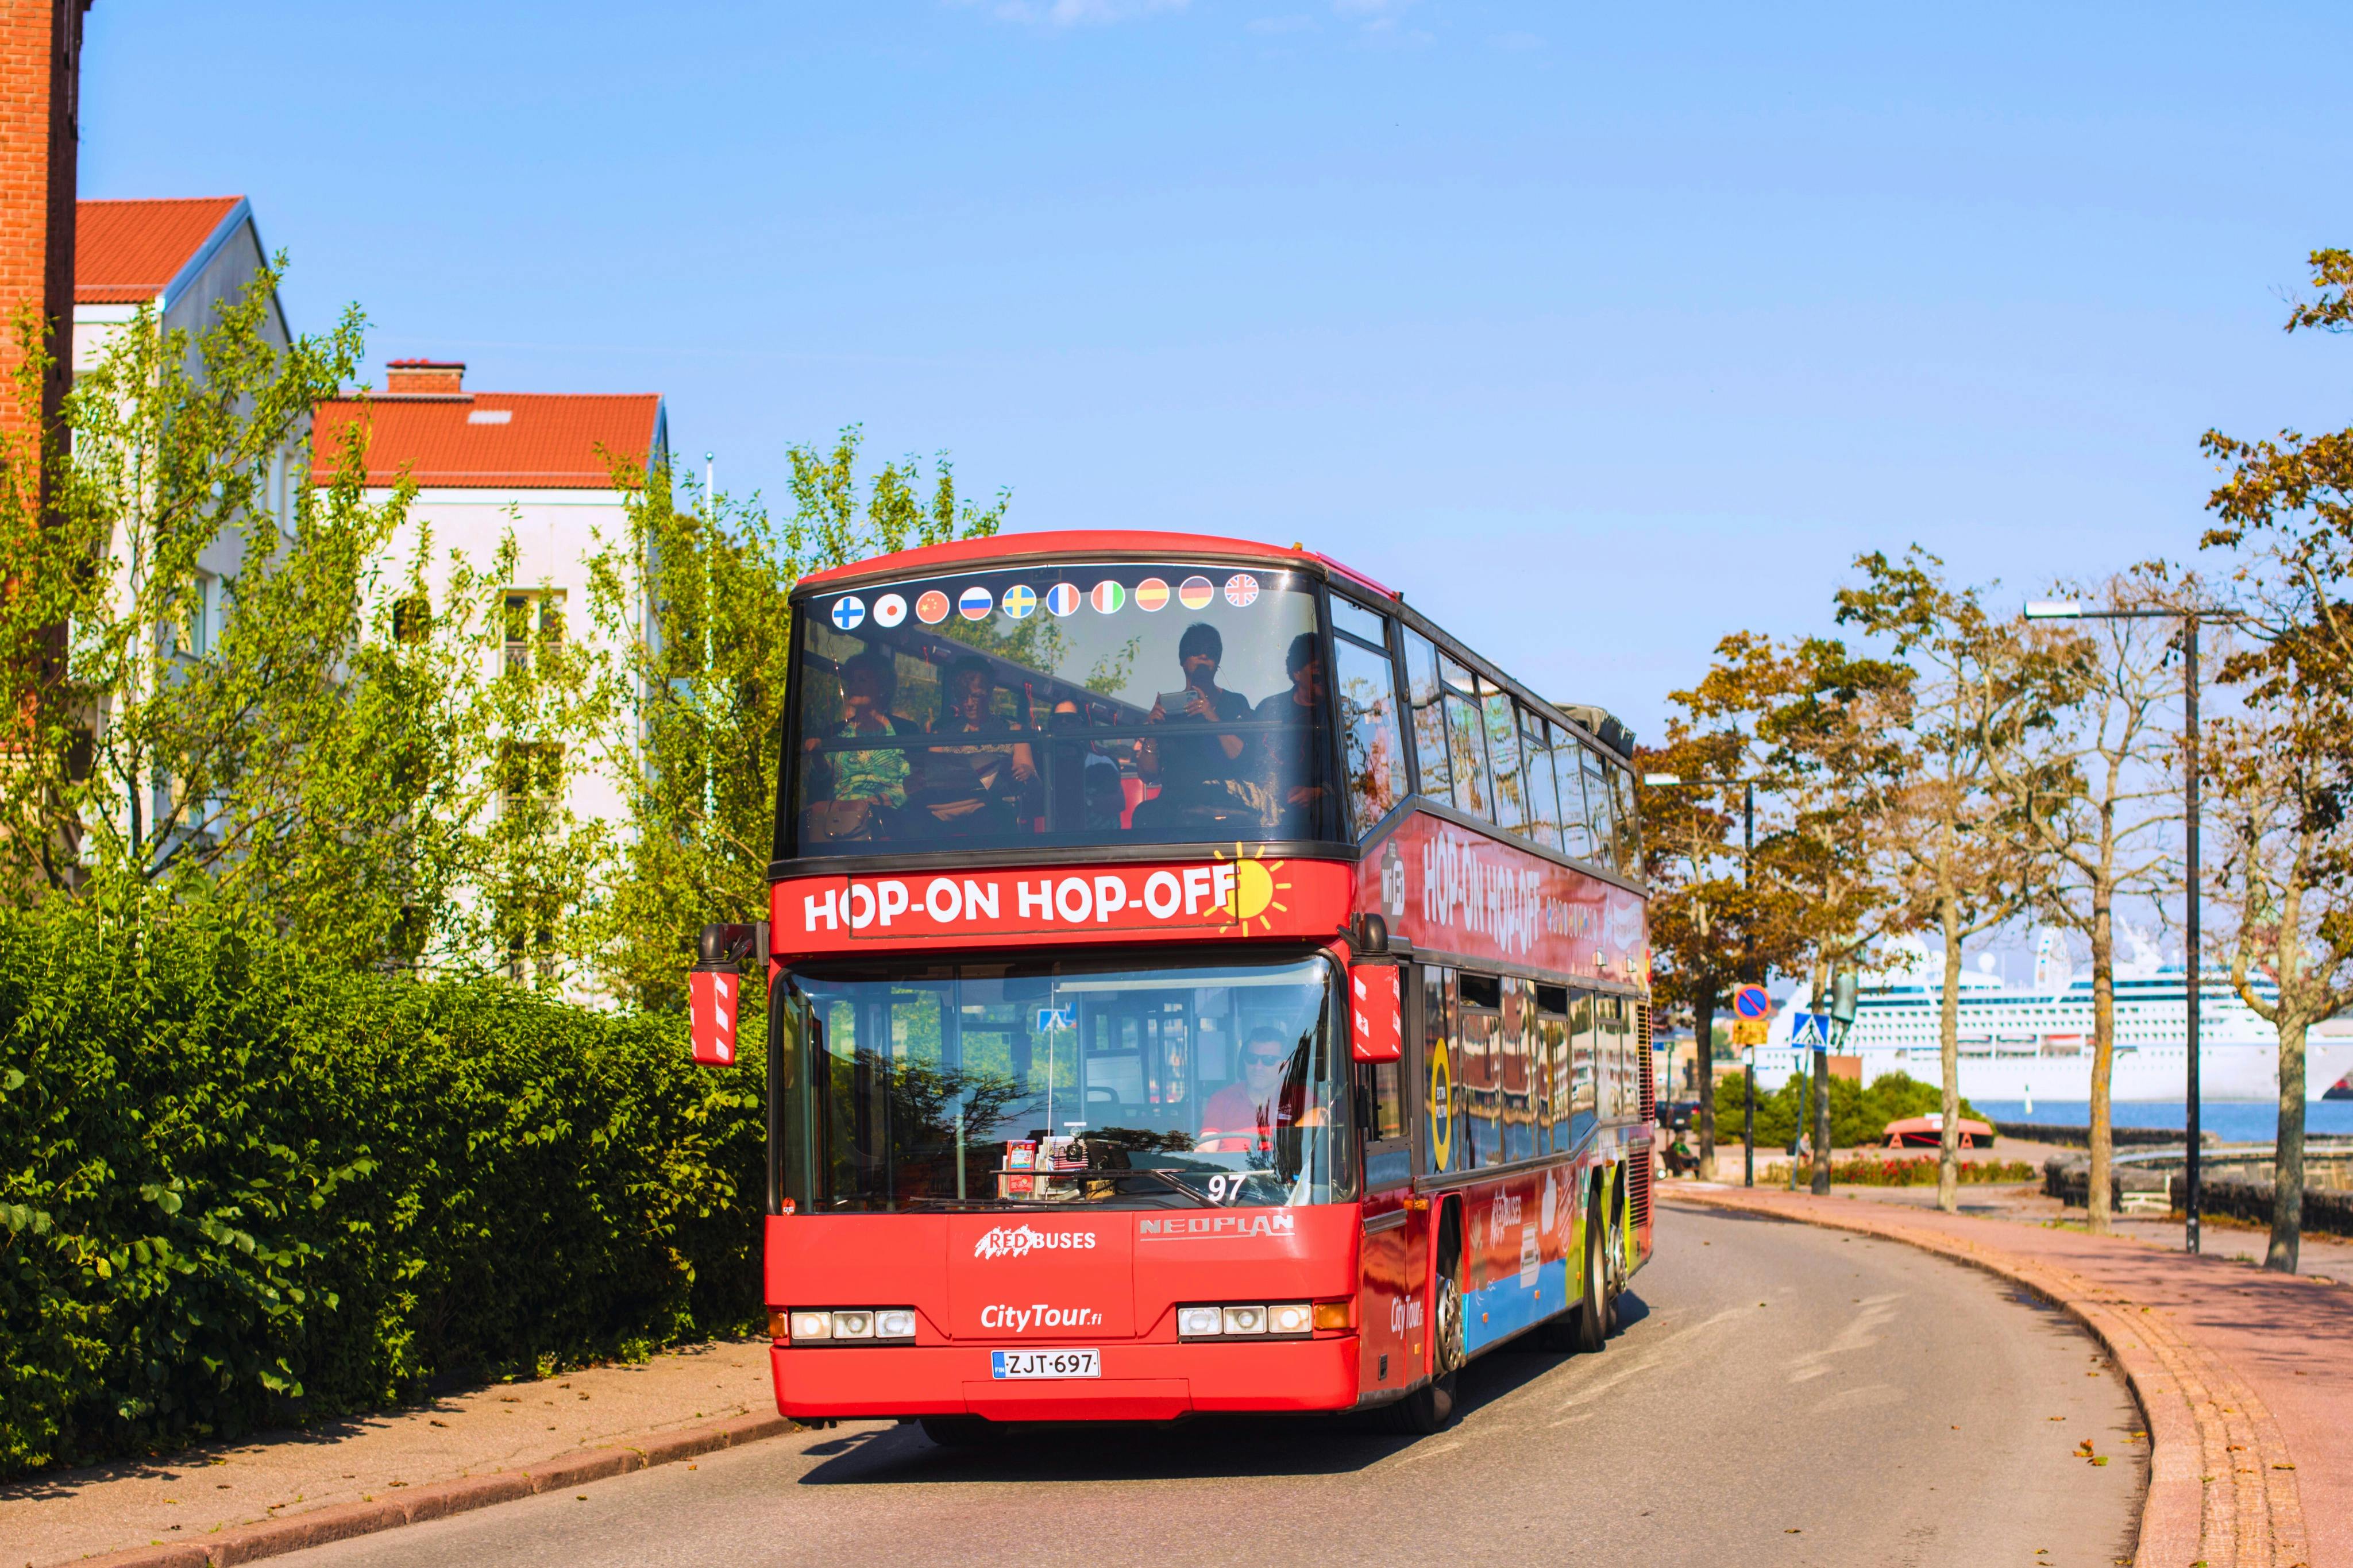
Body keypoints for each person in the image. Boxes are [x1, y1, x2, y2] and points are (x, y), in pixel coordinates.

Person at [1133, 622, 1255, 832]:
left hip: (1225, 806)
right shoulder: (1168, 710)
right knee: (1144, 815)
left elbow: (1243, 759)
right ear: (1183, 660)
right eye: (1196, 650)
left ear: (1218, 662)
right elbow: (1148, 775)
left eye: (1211, 652)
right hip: (1175, 809)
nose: (1203, 656)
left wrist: (1212, 716)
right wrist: (1152, 732)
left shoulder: (1236, 703)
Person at [915, 655, 1035, 837]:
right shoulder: (942, 734)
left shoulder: (1013, 731)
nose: (970, 703)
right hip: (951, 808)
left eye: (977, 696)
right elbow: (931, 776)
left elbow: (1031, 779)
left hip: (995, 812)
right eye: (963, 697)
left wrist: (1026, 772)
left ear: (990, 691)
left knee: (986, 820)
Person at [803, 651, 908, 841]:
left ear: (882, 687)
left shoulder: (905, 730)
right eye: (852, 681)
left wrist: (881, 801)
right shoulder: (835, 732)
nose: (854, 686)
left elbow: (913, 782)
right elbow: (822, 780)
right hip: (838, 820)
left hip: (889, 820)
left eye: (862, 680)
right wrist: (817, 753)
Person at [1196, 1025, 1326, 1154]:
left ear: (1284, 1067)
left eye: (1268, 1060)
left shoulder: (1298, 1095)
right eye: (1252, 1059)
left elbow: (1320, 1115)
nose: (1258, 1067)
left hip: (1280, 1172)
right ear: (1244, 1062)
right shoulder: (1222, 1100)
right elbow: (1206, 1147)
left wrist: (1289, 1137)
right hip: (1231, 1173)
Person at [1252, 631, 1332, 836]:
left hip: (1326, 823)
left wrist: (1317, 793)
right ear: (1297, 673)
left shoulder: (1343, 712)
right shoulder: (1269, 708)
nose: (1323, 677)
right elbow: (1251, 758)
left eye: (1328, 670)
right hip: (1267, 818)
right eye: (1317, 671)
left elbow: (1358, 776)